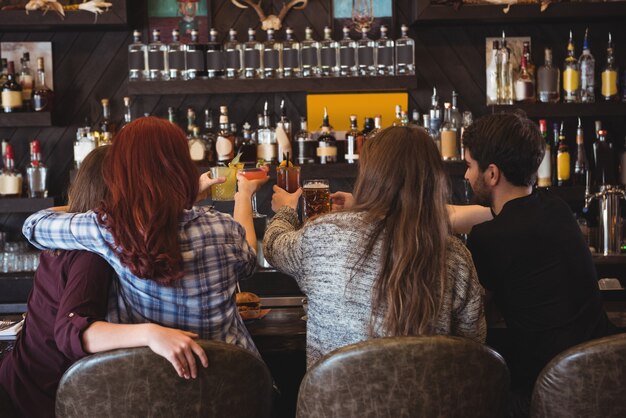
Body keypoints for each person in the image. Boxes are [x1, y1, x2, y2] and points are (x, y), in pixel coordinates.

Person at [22, 117, 268, 358]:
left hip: (148, 387)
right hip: (231, 383)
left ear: (121, 172)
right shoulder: (223, 228)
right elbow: (248, 261)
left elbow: (33, 225)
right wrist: (243, 195)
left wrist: (100, 207)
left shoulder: (109, 228)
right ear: (183, 165)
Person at [1, 146, 208, 418]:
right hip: (46, 401)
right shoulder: (92, 255)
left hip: (23, 382)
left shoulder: (65, 235)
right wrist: (151, 333)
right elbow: (71, 330)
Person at [264, 126, 486, 368]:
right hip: (425, 403)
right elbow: (471, 348)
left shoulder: (324, 234)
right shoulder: (454, 256)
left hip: (334, 403)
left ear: (369, 175)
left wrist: (286, 210)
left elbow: (273, 246)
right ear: (434, 179)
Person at [461, 112, 618, 415]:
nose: (466, 176)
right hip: (607, 377)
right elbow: (502, 216)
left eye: (469, 166)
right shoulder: (555, 208)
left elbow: (477, 317)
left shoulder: (489, 239)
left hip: (550, 391)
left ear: (492, 174)